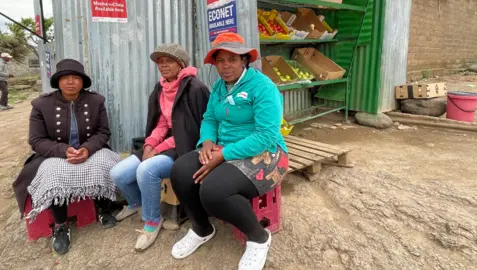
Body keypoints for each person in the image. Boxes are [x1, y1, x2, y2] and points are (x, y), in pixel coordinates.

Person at [169, 32, 289, 270]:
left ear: (244, 60)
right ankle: (202, 228)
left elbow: (266, 135)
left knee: (214, 191)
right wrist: (206, 142)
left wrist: (222, 155)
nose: (225, 66)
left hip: (265, 153)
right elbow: (210, 118)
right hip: (221, 147)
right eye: (220, 60)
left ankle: (258, 237)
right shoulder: (219, 88)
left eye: (232, 59)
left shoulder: (262, 87)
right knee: (180, 171)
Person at [12, 59, 120, 255]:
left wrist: (87, 149)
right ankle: (61, 225)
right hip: (54, 152)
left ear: (82, 81)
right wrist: (63, 150)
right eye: (65, 78)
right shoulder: (41, 104)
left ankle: (104, 209)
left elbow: (103, 132)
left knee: (106, 163)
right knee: (54, 173)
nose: (71, 82)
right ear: (58, 81)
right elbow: (36, 139)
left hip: (90, 149)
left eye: (76, 77)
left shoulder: (96, 101)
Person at [109, 44, 210, 252]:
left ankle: (152, 221)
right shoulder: (162, 87)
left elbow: (194, 129)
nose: (163, 65)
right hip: (164, 143)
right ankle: (137, 204)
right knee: (118, 173)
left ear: (180, 64)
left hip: (184, 146)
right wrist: (149, 144)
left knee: (147, 170)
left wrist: (159, 148)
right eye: (160, 62)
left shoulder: (195, 89)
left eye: (169, 61)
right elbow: (163, 123)